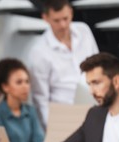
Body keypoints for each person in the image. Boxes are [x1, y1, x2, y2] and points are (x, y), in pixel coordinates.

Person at [28, 0, 99, 129]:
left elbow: (98, 66)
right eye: (56, 20)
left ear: (71, 13)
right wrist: (51, 129)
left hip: (93, 105)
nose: (63, 25)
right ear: (45, 18)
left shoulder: (84, 31)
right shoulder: (39, 51)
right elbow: (40, 98)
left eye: (66, 18)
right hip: (63, 117)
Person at [0, 58, 44, 142]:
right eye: (19, 82)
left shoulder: (31, 110)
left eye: (27, 81)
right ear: (5, 87)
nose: (25, 86)